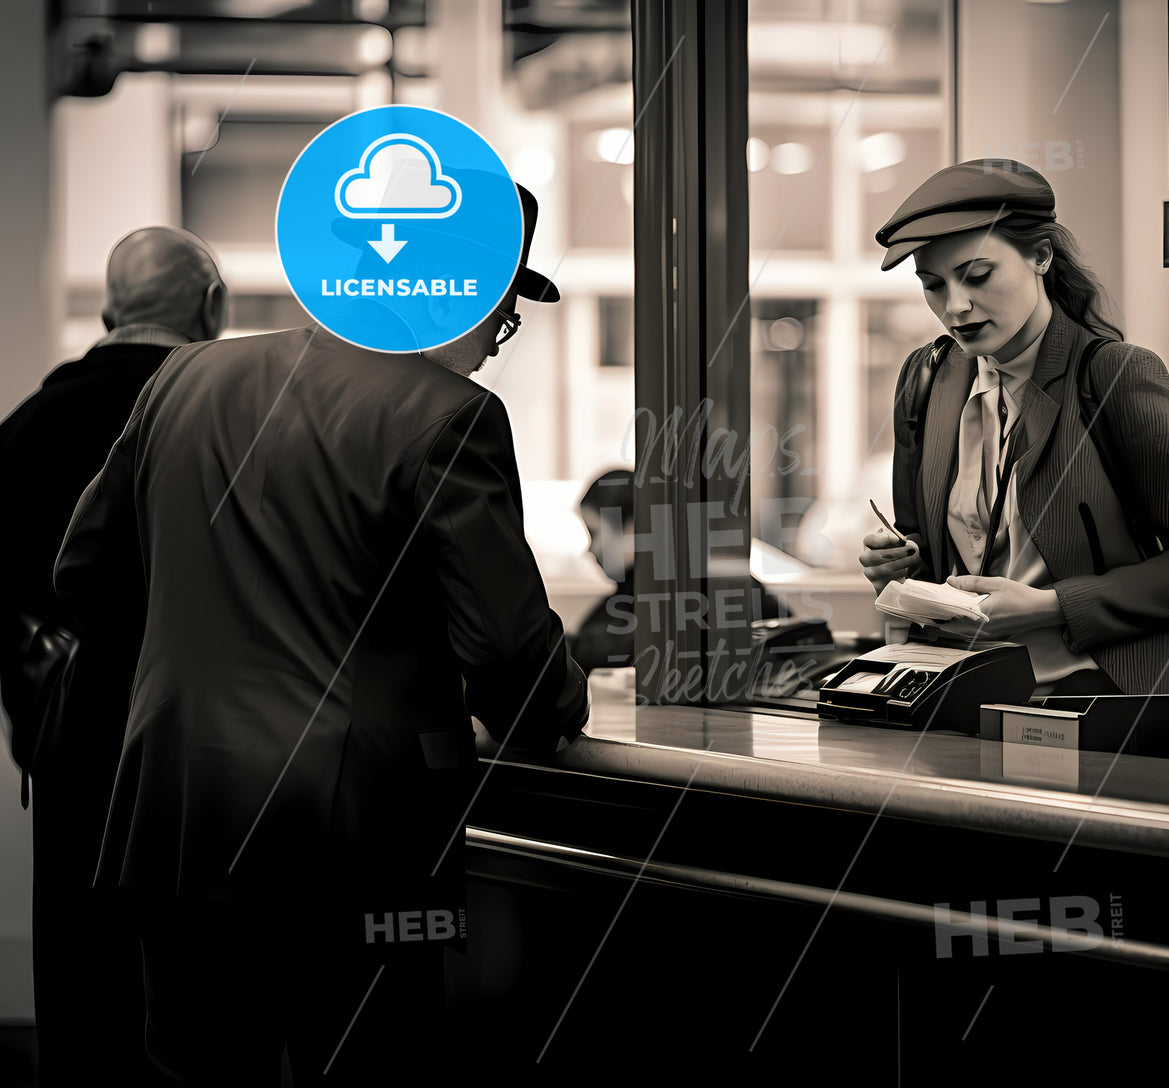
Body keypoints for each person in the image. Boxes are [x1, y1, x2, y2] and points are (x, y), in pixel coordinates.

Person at [53, 184, 588, 1086]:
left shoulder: (185, 376)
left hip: (173, 822)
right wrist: (554, 706)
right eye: (504, 306)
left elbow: (82, 577)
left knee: (198, 1071)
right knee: (370, 1064)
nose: (501, 335)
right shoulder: (450, 415)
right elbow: (507, 656)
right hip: (357, 853)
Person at [859, 160, 1169, 753]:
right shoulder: (928, 380)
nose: (956, 305)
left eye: (977, 274)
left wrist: (1052, 607)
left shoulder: (1116, 374)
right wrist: (900, 571)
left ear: (1041, 257)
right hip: (966, 709)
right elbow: (927, 556)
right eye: (934, 285)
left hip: (1103, 710)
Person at [0, 225, 226, 1086]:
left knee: (82, 974)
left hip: (77, 733)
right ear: (213, 307)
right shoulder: (231, 414)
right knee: (201, 986)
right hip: (212, 745)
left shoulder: (31, 423)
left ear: (107, 310)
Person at [570, 466, 790, 674]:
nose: (590, 549)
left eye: (594, 532)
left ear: (633, 525)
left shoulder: (696, 584)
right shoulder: (668, 580)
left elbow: (603, 650)